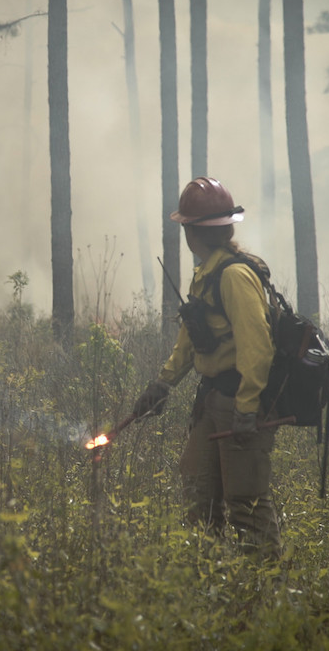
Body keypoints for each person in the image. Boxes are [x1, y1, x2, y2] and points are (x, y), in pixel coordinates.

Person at [133, 176, 281, 558]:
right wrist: (162, 384)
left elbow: (257, 347)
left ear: (192, 232)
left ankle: (263, 592)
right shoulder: (207, 275)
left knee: (246, 506)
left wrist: (247, 408)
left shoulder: (233, 276)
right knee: (199, 502)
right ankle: (209, 586)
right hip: (212, 401)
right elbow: (191, 339)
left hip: (238, 403)